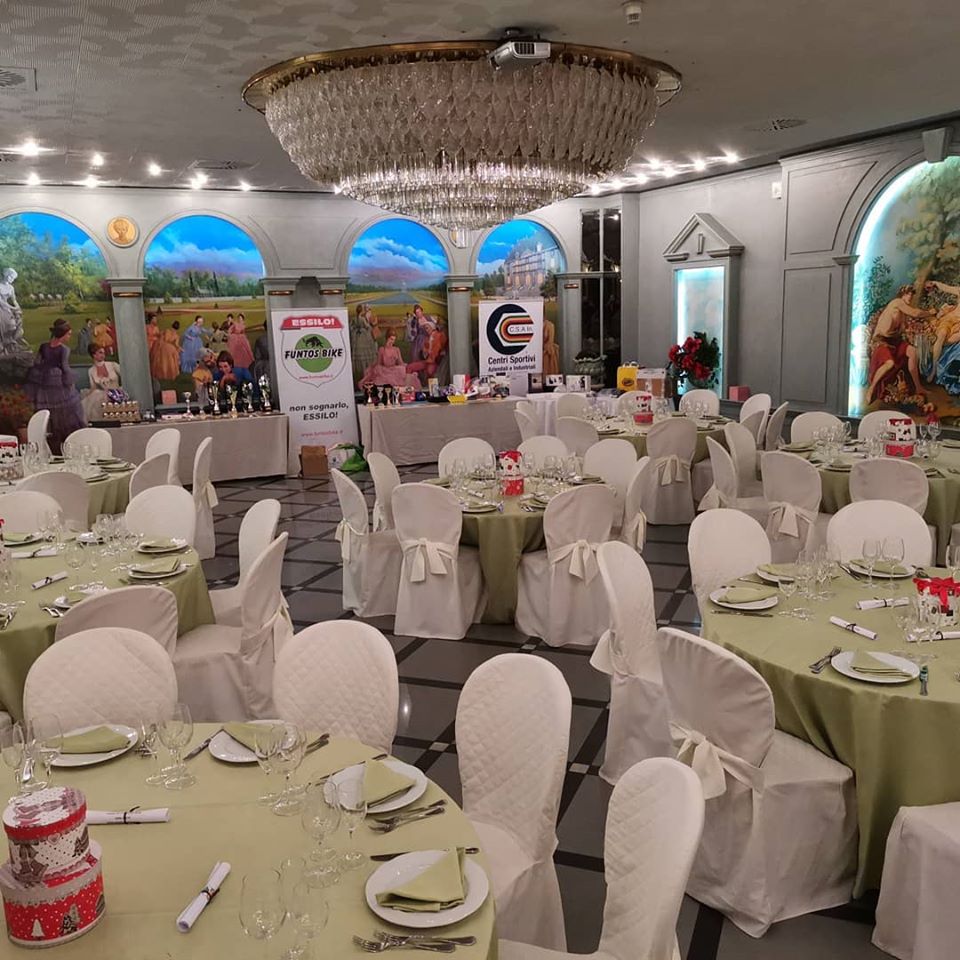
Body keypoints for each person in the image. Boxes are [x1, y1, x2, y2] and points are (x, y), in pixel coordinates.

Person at [24, 319, 86, 451]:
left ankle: (54, 441)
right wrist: (69, 381)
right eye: (68, 334)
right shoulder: (64, 349)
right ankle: (60, 442)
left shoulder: (44, 346)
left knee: (50, 410)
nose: (69, 337)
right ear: (62, 334)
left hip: (44, 379)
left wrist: (42, 371)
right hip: (57, 381)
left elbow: (37, 363)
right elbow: (64, 367)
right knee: (63, 411)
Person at [866, 285, 934, 405]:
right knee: (890, 363)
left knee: (912, 351)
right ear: (902, 295)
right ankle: (871, 388)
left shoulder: (903, 313)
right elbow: (915, 313)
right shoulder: (897, 303)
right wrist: (930, 312)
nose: (910, 296)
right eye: (907, 294)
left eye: (911, 294)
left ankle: (918, 387)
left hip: (893, 341)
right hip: (880, 340)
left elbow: (900, 331)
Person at [82, 344, 122, 421]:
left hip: (117, 392)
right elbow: (93, 387)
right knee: (96, 396)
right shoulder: (91, 371)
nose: (103, 355)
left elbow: (125, 375)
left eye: (104, 353)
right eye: (100, 352)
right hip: (103, 394)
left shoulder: (112, 365)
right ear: (94, 355)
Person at [407, 318, 448, 385]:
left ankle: (432, 388)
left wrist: (440, 352)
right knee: (409, 367)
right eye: (425, 328)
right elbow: (425, 350)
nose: (426, 330)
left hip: (435, 361)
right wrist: (424, 352)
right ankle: (407, 386)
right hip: (428, 361)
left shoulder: (439, 335)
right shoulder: (427, 338)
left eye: (427, 328)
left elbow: (444, 344)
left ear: (432, 327)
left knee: (430, 371)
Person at [350, 303, 378, 383]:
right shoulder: (362, 318)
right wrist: (369, 326)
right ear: (361, 311)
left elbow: (351, 326)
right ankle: (365, 368)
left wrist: (356, 329)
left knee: (359, 350)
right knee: (365, 350)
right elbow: (367, 326)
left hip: (356, 336)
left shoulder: (354, 318)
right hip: (363, 336)